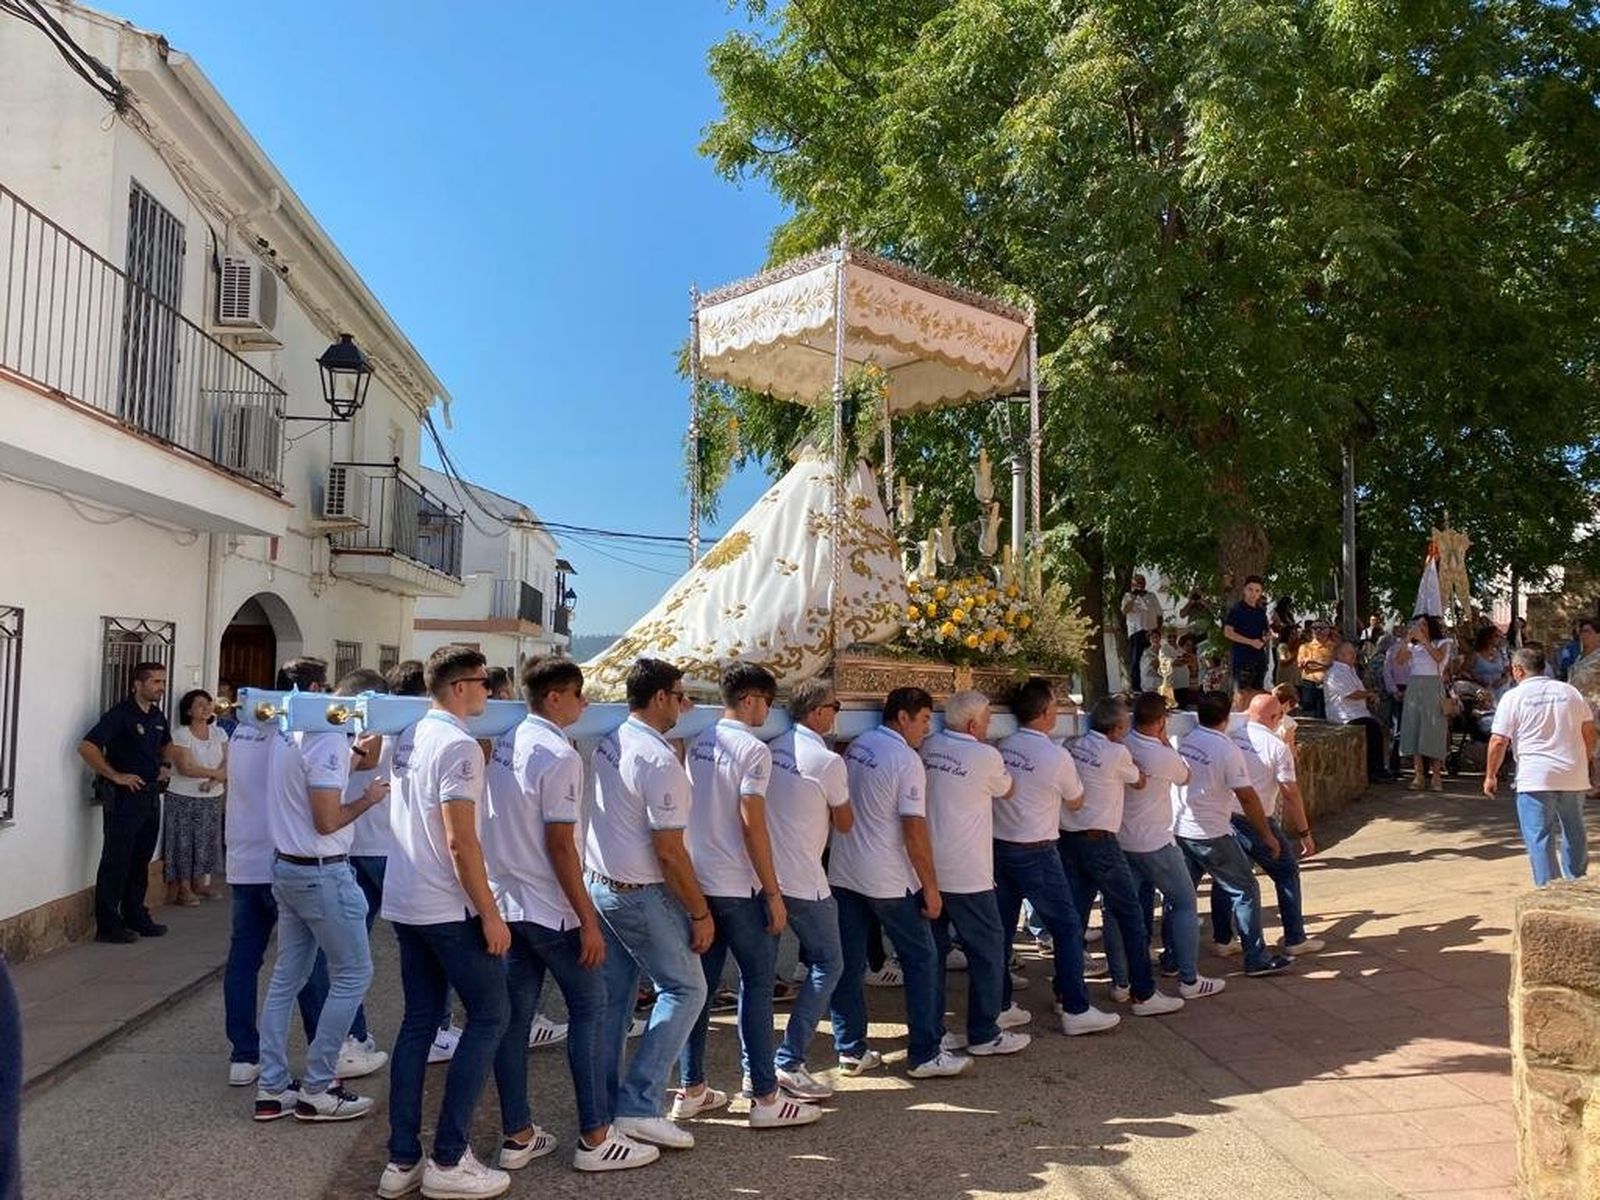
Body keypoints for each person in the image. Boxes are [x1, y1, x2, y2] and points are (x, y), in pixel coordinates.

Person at [483, 656, 659, 1172]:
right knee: (592, 1007)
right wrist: (586, 918)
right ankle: (595, 1135)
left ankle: (518, 1134)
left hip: (510, 900)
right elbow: (561, 845)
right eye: (579, 696)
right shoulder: (558, 754)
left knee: (515, 1020)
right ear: (555, 698)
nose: (586, 705)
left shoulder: (509, 740)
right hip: (548, 906)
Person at [379, 646, 513, 1200]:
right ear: (460, 687)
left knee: (418, 1025)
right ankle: (449, 1157)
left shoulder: (411, 733)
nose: (489, 691)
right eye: (483, 682)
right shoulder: (458, 744)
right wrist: (490, 912)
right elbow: (461, 841)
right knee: (491, 1015)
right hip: (445, 904)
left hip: (407, 899)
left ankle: (402, 1159)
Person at [676, 664, 822, 1129]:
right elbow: (751, 824)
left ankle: (692, 1087)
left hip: (699, 881)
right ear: (753, 700)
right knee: (756, 986)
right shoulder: (753, 751)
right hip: (739, 885)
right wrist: (774, 891)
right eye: (768, 701)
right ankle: (763, 1094)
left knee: (698, 991)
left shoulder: (700, 741)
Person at [253, 666, 390, 1126]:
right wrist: (368, 799)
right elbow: (328, 820)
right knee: (353, 973)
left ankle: (271, 1086)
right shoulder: (329, 737)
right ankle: (319, 1086)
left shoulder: (289, 729)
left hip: (288, 867)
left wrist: (352, 757)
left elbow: (316, 776)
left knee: (285, 977)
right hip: (321, 872)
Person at [585, 657, 710, 1152]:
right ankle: (639, 1104)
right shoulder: (658, 760)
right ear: (660, 698)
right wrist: (700, 912)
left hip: (602, 883)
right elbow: (670, 851)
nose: (684, 704)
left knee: (615, 1001)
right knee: (686, 988)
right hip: (637, 891)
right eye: (679, 696)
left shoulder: (612, 739)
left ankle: (604, 1105)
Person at [830, 687, 971, 1077]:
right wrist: (931, 886)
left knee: (850, 963)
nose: (927, 728)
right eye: (924, 719)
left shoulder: (857, 745)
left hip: (845, 871)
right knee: (922, 958)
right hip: (888, 879)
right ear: (903, 717)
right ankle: (925, 1053)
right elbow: (914, 831)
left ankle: (850, 1048)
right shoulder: (906, 760)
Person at [220, 660, 333, 1088]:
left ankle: (243, 1054)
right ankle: (323, 1050)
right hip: (284, 860)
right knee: (303, 962)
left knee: (244, 960)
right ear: (315, 687)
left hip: (243, 861)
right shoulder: (293, 732)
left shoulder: (243, 731)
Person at [995, 679, 1120, 1037]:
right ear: (1047, 712)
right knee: (1066, 926)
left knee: (1002, 929)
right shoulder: (1055, 755)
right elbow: (1077, 800)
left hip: (1002, 845)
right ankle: (1075, 1006)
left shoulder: (1003, 746)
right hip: (1036, 848)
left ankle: (1000, 1003)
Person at [920, 691, 1032, 1058]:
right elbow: (1009, 789)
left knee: (933, 955)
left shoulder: (929, 744)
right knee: (987, 950)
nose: (988, 727)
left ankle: (935, 1031)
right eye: (985, 721)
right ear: (972, 725)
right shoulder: (985, 755)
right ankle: (984, 1031)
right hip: (968, 871)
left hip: (928, 868)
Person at [1061, 697, 1185, 1016]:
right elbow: (1140, 781)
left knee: (1074, 917)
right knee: (1130, 914)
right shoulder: (1116, 752)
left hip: (1069, 838)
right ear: (1117, 729)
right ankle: (1143, 992)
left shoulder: (1073, 744)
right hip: (1101, 840)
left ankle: (1065, 991)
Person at [763, 678, 850, 1100]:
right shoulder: (828, 760)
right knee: (830, 964)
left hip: (765, 876)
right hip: (805, 880)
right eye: (834, 706)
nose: (837, 714)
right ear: (817, 712)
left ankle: (759, 1069)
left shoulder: (772, 745)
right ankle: (790, 1060)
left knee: (757, 977)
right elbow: (847, 822)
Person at [1172, 692, 1292, 978]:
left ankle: (1172, 958)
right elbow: (1248, 798)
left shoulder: (1186, 741)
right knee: (1246, 890)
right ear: (1227, 717)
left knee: (1181, 896)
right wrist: (1267, 835)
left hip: (1182, 828)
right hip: (1211, 831)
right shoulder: (1226, 749)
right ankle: (1256, 957)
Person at [1119, 693, 1224, 1000]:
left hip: (1123, 840)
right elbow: (1185, 776)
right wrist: (1165, 742)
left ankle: (1121, 981)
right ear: (1161, 721)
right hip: (1154, 841)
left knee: (1121, 910)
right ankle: (1189, 978)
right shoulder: (1161, 754)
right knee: (1184, 903)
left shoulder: (1122, 744)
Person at [1221, 693, 1325, 958]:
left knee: (1228, 876)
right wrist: (1304, 833)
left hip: (1224, 814)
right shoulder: (1276, 746)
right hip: (1254, 819)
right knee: (1287, 872)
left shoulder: (1232, 734)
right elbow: (1291, 792)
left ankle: (1223, 938)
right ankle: (1294, 937)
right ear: (1275, 718)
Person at [1485, 647, 1596, 887]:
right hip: (1572, 774)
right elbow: (1589, 730)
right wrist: (1583, 760)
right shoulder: (1569, 692)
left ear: (1517, 670)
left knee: (1539, 836)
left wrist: (1490, 775)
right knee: (1574, 830)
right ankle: (1577, 882)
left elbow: (1498, 740)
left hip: (1535, 776)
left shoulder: (1513, 697)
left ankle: (1548, 888)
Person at [79, 662, 172, 943]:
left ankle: (135, 915)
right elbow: (87, 746)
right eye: (155, 681)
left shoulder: (156, 715)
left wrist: (165, 764)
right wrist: (115, 775)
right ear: (137, 684)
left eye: (163, 681)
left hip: (150, 795)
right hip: (124, 798)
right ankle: (108, 924)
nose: (161, 687)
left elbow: (166, 743)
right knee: (116, 861)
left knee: (140, 859)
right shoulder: (120, 715)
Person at [162, 688, 227, 905]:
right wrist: (216, 775)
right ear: (188, 710)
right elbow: (186, 767)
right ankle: (184, 888)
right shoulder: (181, 734)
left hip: (212, 796)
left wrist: (215, 781)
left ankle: (201, 883)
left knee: (206, 841)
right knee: (183, 842)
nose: (206, 708)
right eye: (200, 704)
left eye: (208, 704)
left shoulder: (219, 733)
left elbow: (229, 762)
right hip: (183, 796)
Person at [1395, 615, 1453, 790]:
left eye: (1424, 625)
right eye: (1417, 625)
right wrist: (1407, 640)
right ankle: (1418, 774)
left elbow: (1438, 658)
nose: (1420, 628)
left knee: (1434, 729)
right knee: (1415, 728)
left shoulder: (1443, 643)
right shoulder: (1414, 646)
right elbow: (1399, 661)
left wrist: (1425, 641)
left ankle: (1436, 775)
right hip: (1414, 687)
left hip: (1433, 686)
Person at [1324, 642, 1391, 783]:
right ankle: (1375, 771)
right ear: (1340, 655)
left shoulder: (1349, 670)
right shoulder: (1336, 672)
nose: (1354, 655)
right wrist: (1370, 695)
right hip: (1346, 715)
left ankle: (1377, 769)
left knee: (1376, 728)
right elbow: (1351, 694)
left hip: (1357, 713)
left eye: (1354, 652)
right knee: (1372, 729)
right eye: (1350, 653)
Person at [1569, 617, 1600, 795]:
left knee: (1595, 745)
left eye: (1588, 632)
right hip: (1579, 704)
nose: (1583, 635)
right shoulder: (1581, 654)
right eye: (1581, 632)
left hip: (1596, 703)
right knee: (1581, 744)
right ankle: (1585, 781)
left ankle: (1597, 785)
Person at [1223, 577, 1271, 691]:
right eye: (1250, 589)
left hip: (1259, 660)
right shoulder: (1238, 610)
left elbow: (1265, 632)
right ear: (1244, 590)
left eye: (1257, 590)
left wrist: (1266, 637)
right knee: (1242, 697)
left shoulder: (1261, 611)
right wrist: (1251, 642)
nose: (1253, 593)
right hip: (1243, 660)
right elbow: (1228, 632)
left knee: (1257, 697)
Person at [1122, 574, 1163, 691]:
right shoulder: (1128, 596)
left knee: (1154, 660)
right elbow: (1125, 611)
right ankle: (1136, 689)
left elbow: (1159, 614)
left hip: (1152, 632)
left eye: (1142, 582)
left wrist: (1158, 630)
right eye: (1137, 582)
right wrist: (1134, 597)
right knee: (1136, 661)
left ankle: (1156, 687)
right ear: (1132, 584)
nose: (1140, 584)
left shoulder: (1152, 596)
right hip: (1137, 632)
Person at [1295, 621, 1338, 720]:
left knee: (1325, 710)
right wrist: (1323, 664)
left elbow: (1333, 664)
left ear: (1328, 630)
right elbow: (1302, 665)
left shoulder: (1334, 647)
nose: (1318, 630)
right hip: (1309, 682)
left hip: (1328, 681)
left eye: (1322, 628)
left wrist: (1312, 661)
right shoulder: (1304, 647)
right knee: (1309, 710)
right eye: (1315, 628)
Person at [1467, 626, 1512, 701]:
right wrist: (1477, 679)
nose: (1500, 639)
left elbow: (1507, 669)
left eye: (1501, 636)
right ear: (1488, 638)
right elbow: (1463, 672)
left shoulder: (1500, 653)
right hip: (1481, 689)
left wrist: (1504, 679)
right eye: (1496, 636)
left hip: (1500, 687)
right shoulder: (1475, 655)